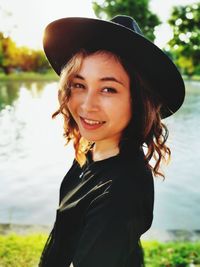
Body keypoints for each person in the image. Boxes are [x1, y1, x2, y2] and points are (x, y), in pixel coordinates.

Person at [39, 15, 185, 267]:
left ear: (138, 100)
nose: (86, 105)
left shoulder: (119, 193)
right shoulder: (93, 150)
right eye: (78, 84)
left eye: (108, 89)